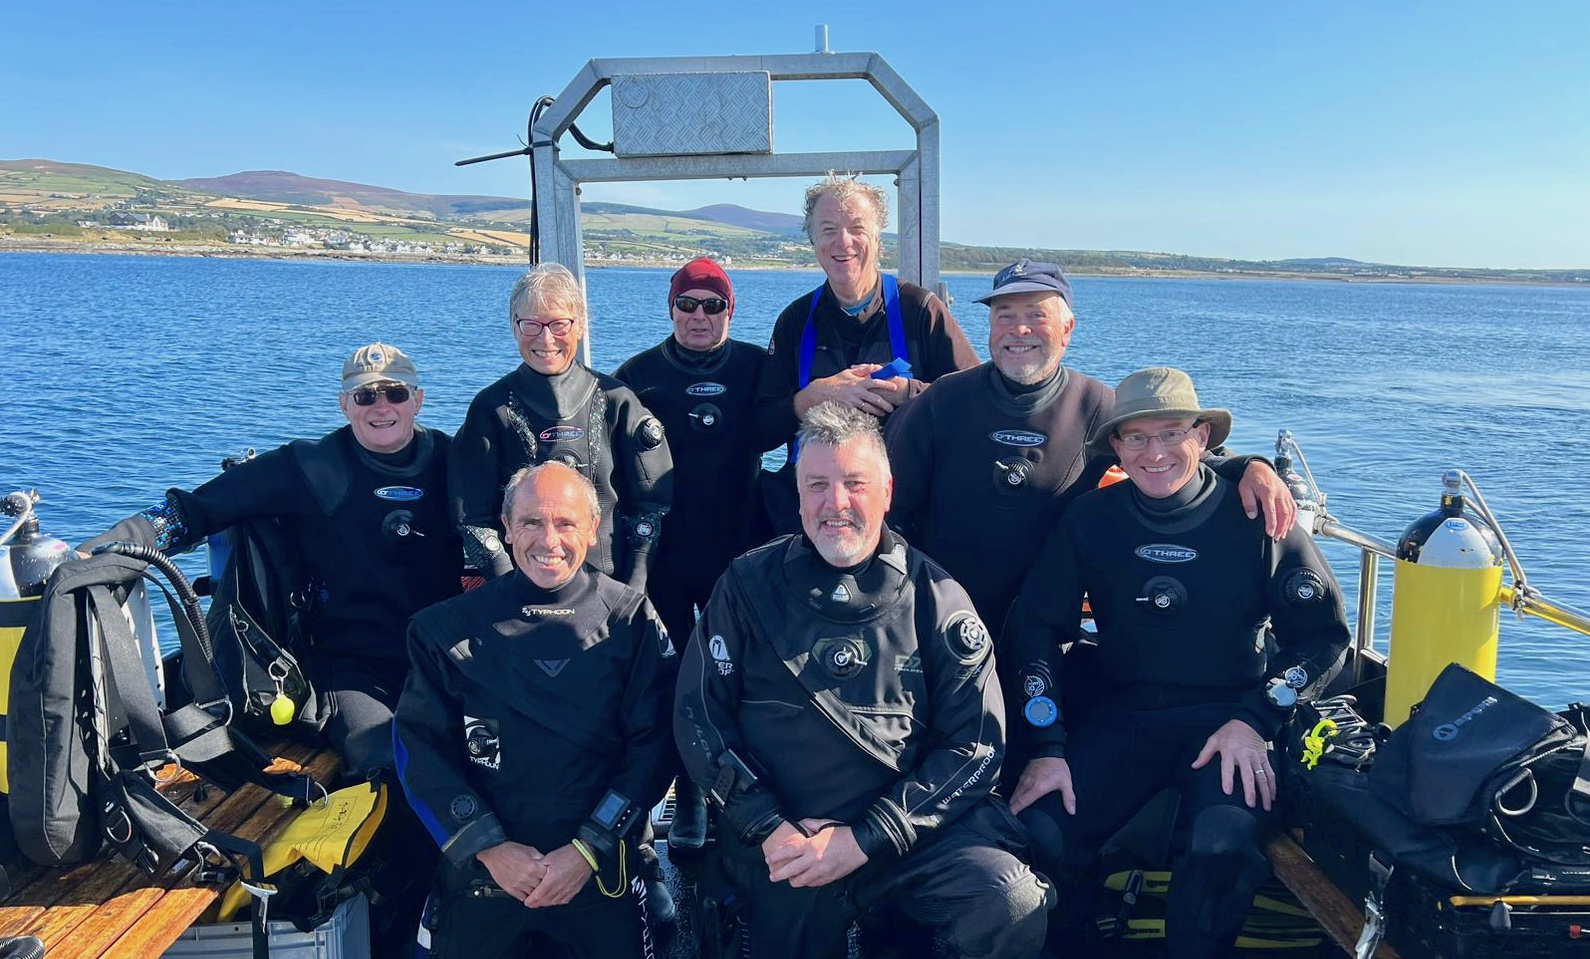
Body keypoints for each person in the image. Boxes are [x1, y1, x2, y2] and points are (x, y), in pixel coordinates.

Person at [83, 342, 463, 953]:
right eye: (365, 395)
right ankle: (402, 920)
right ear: (345, 404)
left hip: (447, 662)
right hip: (351, 670)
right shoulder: (310, 467)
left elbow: (539, 509)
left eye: (395, 392)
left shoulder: (456, 460)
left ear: (418, 399)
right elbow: (194, 510)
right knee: (398, 764)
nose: (381, 406)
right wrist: (102, 551)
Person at [675, 402, 1051, 959]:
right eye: (817, 485)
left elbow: (976, 746)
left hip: (904, 836)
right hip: (784, 840)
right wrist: (767, 824)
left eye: (855, 483)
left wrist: (865, 838)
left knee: (1009, 899)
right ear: (798, 494)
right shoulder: (746, 587)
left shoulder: (936, 598)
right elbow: (700, 717)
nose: (836, 504)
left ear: (887, 490)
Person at [1005, 368, 1352, 959]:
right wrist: (1046, 746)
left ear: (1202, 436)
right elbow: (1036, 629)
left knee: (1223, 842)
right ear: (1115, 446)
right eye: (1135, 438)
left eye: (1170, 433)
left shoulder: (1259, 518)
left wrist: (1256, 721)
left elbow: (1322, 639)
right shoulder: (1091, 520)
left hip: (1230, 721)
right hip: (1121, 716)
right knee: (1039, 831)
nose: (1154, 452)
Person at [888, 259, 1298, 644]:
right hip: (940, 616)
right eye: (1005, 316)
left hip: (1045, 624)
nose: (1019, 330)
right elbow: (891, 504)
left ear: (1067, 330)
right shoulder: (945, 400)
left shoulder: (1097, 406)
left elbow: (1178, 457)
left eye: (1036, 315)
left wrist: (1253, 467)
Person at [395, 462, 679, 959]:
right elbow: (420, 748)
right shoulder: (444, 631)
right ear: (505, 528)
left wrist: (588, 849)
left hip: (596, 867)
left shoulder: (631, 621)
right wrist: (487, 846)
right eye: (531, 522)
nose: (548, 540)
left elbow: (654, 748)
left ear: (593, 530)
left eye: (566, 523)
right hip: (486, 872)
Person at [613, 257, 772, 851]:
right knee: (675, 675)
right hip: (666, 556)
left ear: (731, 309)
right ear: (670, 308)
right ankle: (688, 796)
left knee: (745, 675)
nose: (699, 316)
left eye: (713, 304)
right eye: (688, 304)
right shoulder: (639, 375)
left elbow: (806, 419)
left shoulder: (759, 367)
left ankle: (748, 797)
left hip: (740, 549)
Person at [749, 174, 980, 534]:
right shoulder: (795, 321)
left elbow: (977, 403)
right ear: (813, 240)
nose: (843, 241)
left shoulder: (920, 311)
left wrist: (910, 394)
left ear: (877, 237)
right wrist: (813, 398)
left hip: (904, 517)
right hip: (814, 519)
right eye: (828, 229)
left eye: (857, 227)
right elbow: (759, 431)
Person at [449, 262, 673, 593]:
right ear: (514, 326)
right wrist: (510, 589)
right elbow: (473, 519)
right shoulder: (491, 409)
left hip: (608, 587)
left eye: (558, 323)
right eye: (531, 324)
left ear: (580, 325)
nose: (546, 338)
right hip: (522, 589)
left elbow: (650, 507)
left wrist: (633, 590)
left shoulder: (616, 401)